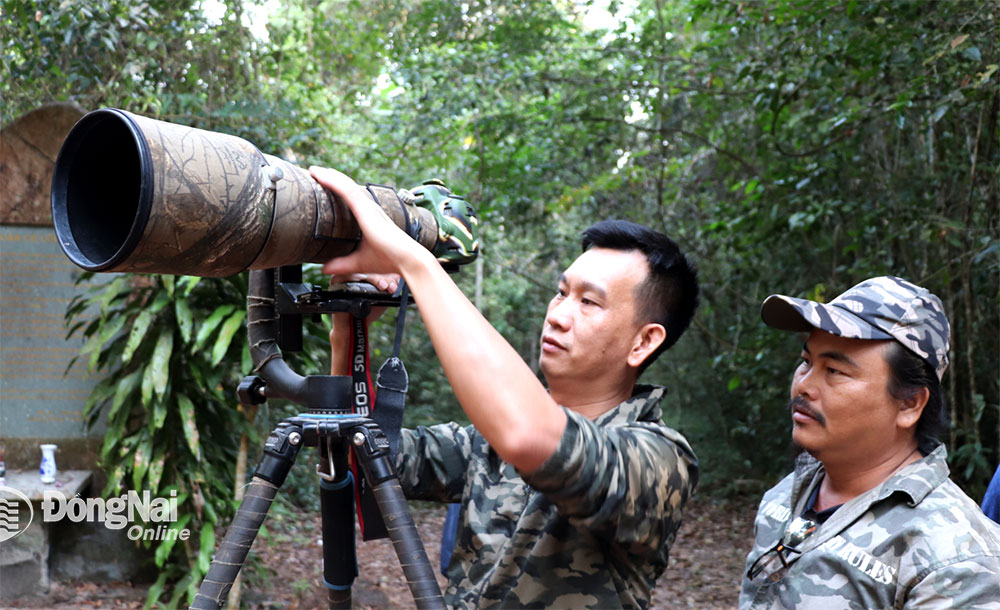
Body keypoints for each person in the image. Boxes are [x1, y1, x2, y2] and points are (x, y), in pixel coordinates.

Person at [312, 166, 700, 608]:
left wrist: (415, 263)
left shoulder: (661, 459)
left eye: (589, 302)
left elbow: (534, 438)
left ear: (644, 341)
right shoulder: (486, 442)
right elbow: (367, 456)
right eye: (561, 292)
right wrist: (348, 333)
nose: (557, 314)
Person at [740, 276, 1000, 609]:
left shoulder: (956, 555)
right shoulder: (788, 493)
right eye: (806, 362)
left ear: (909, 405)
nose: (804, 385)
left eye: (834, 370)